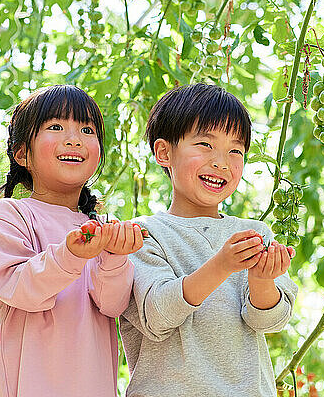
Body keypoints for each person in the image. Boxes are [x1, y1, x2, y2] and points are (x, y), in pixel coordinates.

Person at [120, 83, 299, 397]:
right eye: (204, 144)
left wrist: (261, 279)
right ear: (164, 152)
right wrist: (222, 265)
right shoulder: (141, 235)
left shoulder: (255, 233)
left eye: (235, 150)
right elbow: (157, 315)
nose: (222, 162)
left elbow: (271, 320)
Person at [0, 85, 143, 396]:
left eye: (87, 129)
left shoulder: (101, 230)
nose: (75, 138)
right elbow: (21, 288)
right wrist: (70, 255)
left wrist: (116, 258)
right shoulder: (9, 215)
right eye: (56, 126)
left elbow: (113, 305)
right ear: (22, 153)